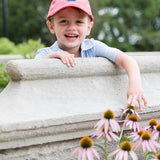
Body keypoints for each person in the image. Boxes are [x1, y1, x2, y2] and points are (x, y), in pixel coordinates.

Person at [35, 0, 147, 111]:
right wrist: (53, 56)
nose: (72, 27)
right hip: (59, 108)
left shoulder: (93, 47)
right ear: (51, 26)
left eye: (79, 22)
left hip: (91, 106)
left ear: (89, 27)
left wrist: (135, 84)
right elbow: (35, 71)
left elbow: (127, 60)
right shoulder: (45, 53)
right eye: (64, 21)